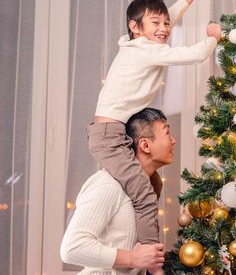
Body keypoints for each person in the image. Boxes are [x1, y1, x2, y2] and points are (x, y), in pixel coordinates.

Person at [86, 0, 221, 274]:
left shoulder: (135, 43)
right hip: (109, 136)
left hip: (117, 132)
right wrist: (212, 36)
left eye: (165, 24)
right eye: (154, 24)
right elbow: (195, 54)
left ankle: (137, 236)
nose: (163, 29)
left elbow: (165, 18)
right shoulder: (146, 49)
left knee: (153, 182)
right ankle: (152, 265)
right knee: (145, 194)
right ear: (135, 28)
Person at [61, 108, 176, 274]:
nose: (173, 141)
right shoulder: (108, 184)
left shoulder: (147, 190)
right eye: (167, 134)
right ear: (145, 145)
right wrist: (132, 258)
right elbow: (72, 247)